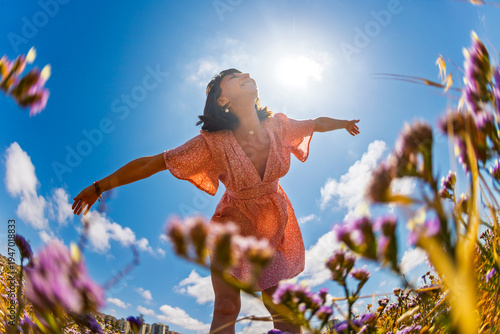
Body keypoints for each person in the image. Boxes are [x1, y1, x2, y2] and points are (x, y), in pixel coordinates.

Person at [72, 68, 360, 333]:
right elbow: (152, 164)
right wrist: (99, 187)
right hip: (231, 229)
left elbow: (316, 123)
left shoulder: (278, 127)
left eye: (244, 72)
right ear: (223, 100)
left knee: (280, 306)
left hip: (273, 223)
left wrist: (343, 123)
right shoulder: (212, 143)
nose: (246, 73)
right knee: (226, 307)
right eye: (234, 77)